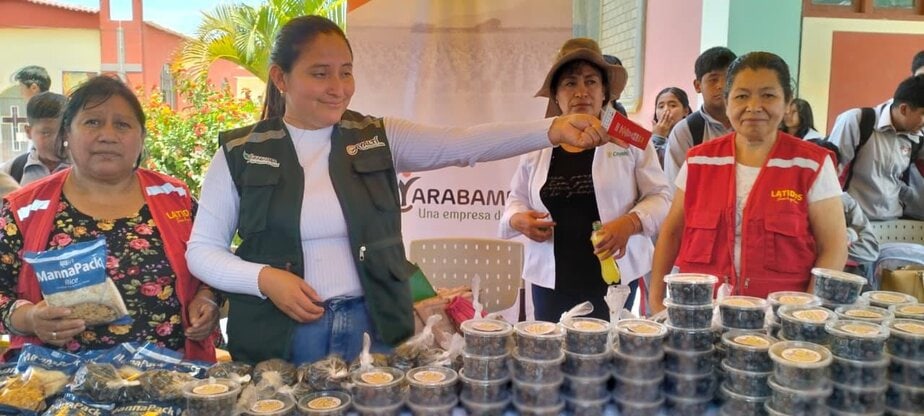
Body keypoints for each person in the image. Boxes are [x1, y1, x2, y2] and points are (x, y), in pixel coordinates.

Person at [185, 16, 612, 365]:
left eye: (346, 72)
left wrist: (550, 129)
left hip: (374, 324)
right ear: (281, 77)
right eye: (320, 74)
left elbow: (461, 143)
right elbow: (202, 251)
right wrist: (264, 278)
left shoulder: (379, 136)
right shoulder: (239, 153)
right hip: (281, 333)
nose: (338, 87)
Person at [0, 76, 219, 361]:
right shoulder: (24, 208)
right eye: (92, 122)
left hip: (170, 381)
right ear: (66, 132)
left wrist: (208, 298)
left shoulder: (174, 197)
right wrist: (29, 318)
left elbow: (213, 262)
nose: (107, 135)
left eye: (122, 124)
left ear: (141, 138)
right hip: (60, 388)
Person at [649, 52, 848, 312]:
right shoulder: (700, 161)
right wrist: (654, 301)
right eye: (742, 96)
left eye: (768, 95)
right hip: (700, 317)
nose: (754, 106)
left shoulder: (811, 164)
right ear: (728, 102)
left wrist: (806, 312)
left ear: (788, 102)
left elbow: (833, 246)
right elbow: (671, 232)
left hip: (780, 322)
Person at [499, 38, 670, 322]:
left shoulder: (630, 137)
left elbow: (661, 196)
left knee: (609, 357)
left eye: (591, 82)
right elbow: (515, 199)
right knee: (549, 356)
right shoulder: (540, 141)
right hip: (549, 279)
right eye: (570, 83)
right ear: (556, 95)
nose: (581, 92)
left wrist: (631, 222)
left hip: (614, 277)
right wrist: (518, 219)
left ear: (604, 93)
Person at [826, 75, 924, 221]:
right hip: (853, 222)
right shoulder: (858, 121)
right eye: (923, 114)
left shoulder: (917, 138)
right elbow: (829, 174)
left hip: (892, 224)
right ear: (904, 109)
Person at [663, 47, 737, 189]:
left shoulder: (749, 126)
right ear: (698, 86)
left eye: (728, 79)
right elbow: (675, 191)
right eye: (713, 79)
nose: (721, 86)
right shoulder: (686, 131)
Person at [807, 139, 879, 278]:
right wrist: (849, 236)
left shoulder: (847, 203)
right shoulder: (786, 201)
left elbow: (870, 250)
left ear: (838, 170)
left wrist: (830, 251)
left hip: (842, 278)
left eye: (825, 168)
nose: (817, 174)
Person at [1, 92, 70, 185]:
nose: (56, 140)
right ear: (28, 132)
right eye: (46, 133)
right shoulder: (12, 171)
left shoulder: (84, 169)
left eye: (63, 131)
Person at [651, 87, 693, 165]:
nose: (666, 110)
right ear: (656, 114)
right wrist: (657, 138)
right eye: (661, 107)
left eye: (673, 105)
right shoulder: (649, 140)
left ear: (686, 111)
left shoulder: (692, 136)